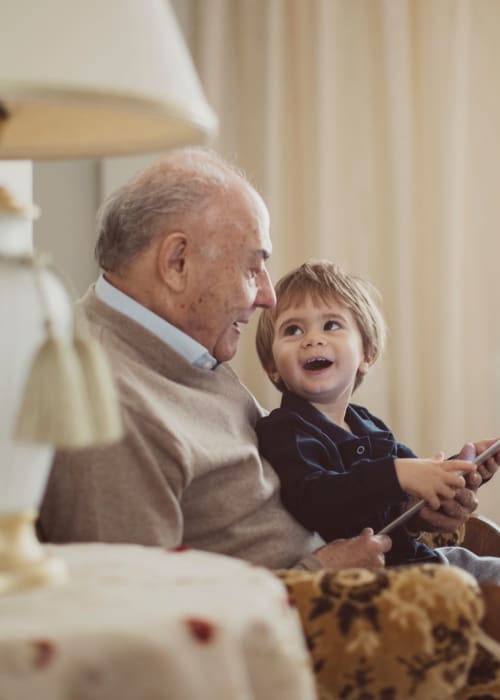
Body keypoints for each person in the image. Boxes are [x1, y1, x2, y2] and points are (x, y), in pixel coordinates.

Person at [38, 147, 497, 570]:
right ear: (177, 262)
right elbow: (140, 617)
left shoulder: (181, 348)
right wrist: (321, 575)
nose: (267, 295)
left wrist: (411, 512)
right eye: (253, 267)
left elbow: (293, 492)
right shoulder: (107, 398)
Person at [255, 259, 500, 581]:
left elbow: (411, 496)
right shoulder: (283, 429)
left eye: (330, 325)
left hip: (423, 559)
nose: (311, 339)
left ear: (367, 354)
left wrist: (456, 473)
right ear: (273, 365)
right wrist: (397, 473)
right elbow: (315, 499)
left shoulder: (369, 426)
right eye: (293, 330)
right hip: (380, 578)